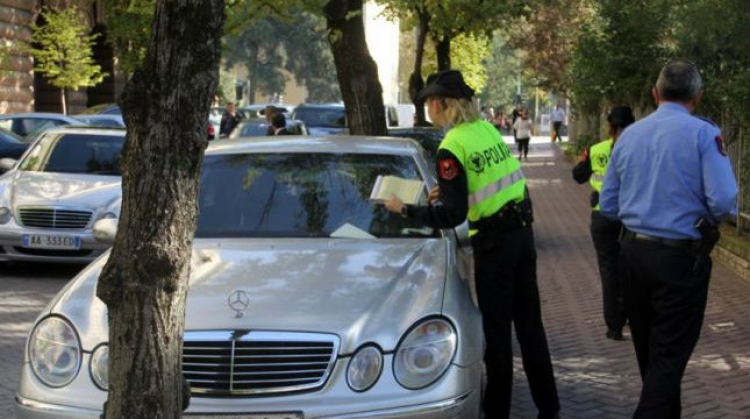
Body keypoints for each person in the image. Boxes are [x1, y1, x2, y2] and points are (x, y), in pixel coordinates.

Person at [383, 69, 560, 419]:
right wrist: (451, 191)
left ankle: (496, 413)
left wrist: (405, 209)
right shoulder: (486, 130)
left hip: (495, 247)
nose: (429, 109)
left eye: (430, 103)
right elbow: (491, 180)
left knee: (497, 340)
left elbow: (451, 216)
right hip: (522, 236)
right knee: (530, 328)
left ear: (440, 104)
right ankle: (549, 409)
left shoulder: (452, 146)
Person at [599, 60, 737, 419]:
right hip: (679, 261)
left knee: (653, 362)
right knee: (668, 362)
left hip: (632, 255)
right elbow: (723, 201)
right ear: (698, 96)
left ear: (655, 94)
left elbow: (609, 203)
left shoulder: (628, 135)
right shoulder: (704, 134)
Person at [572, 106, 635, 341]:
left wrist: (584, 161)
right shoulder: (639, 149)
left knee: (609, 271)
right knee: (631, 270)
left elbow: (578, 176)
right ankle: (630, 316)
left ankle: (614, 326)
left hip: (603, 217)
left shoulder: (596, 150)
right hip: (631, 218)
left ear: (610, 126)